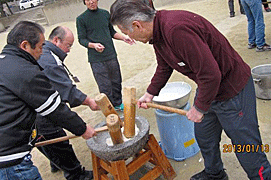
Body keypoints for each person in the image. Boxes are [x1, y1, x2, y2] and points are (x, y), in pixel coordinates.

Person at [110, 0, 271, 179]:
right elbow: (164, 65)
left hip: (232, 90)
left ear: (136, 25)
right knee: (205, 137)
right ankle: (214, 173)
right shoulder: (157, 33)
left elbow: (211, 74)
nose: (131, 38)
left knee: (246, 148)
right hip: (209, 90)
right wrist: (150, 93)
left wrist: (200, 108)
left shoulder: (176, 30)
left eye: (126, 33)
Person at [0, 21, 96, 180]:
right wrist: (83, 128)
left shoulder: (5, 61)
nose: (41, 52)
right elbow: (54, 109)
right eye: (40, 47)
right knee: (57, 143)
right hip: (10, 159)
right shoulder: (25, 70)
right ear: (25, 46)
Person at [36, 26, 99, 180]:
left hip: (39, 107)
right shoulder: (48, 60)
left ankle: (55, 162)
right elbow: (67, 91)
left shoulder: (46, 53)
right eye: (68, 45)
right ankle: (76, 174)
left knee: (49, 143)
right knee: (56, 141)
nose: (69, 50)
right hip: (40, 114)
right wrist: (89, 101)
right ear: (56, 40)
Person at [76, 0, 135, 111]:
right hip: (96, 59)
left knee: (116, 81)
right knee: (104, 86)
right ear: (85, 2)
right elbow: (81, 39)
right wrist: (93, 45)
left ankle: (118, 103)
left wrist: (124, 37)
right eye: (88, 0)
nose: (91, 2)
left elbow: (112, 32)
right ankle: (109, 108)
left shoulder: (105, 14)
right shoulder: (81, 19)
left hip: (111, 54)